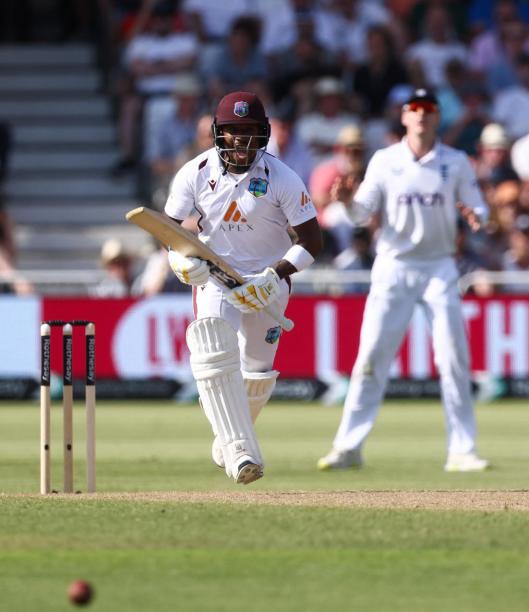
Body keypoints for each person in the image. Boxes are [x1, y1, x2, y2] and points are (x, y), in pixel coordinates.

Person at [317, 88, 491, 473]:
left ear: (437, 116)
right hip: (394, 266)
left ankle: (461, 450)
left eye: (429, 110)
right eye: (416, 110)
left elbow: (479, 206)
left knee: (453, 358)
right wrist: (345, 201)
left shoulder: (456, 161)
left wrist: (477, 217)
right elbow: (362, 213)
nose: (422, 116)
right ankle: (348, 447)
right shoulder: (384, 160)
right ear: (404, 116)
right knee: (371, 357)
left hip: (440, 266)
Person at [164, 91, 323, 485]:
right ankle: (241, 454)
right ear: (219, 133)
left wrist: (275, 274)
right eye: (233, 131)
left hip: (267, 283)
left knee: (256, 373)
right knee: (212, 351)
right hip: (217, 277)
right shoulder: (195, 172)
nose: (241, 140)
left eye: (249, 131)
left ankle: (227, 436)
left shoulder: (282, 177)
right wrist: (180, 260)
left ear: (263, 133)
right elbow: (167, 228)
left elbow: (312, 241)